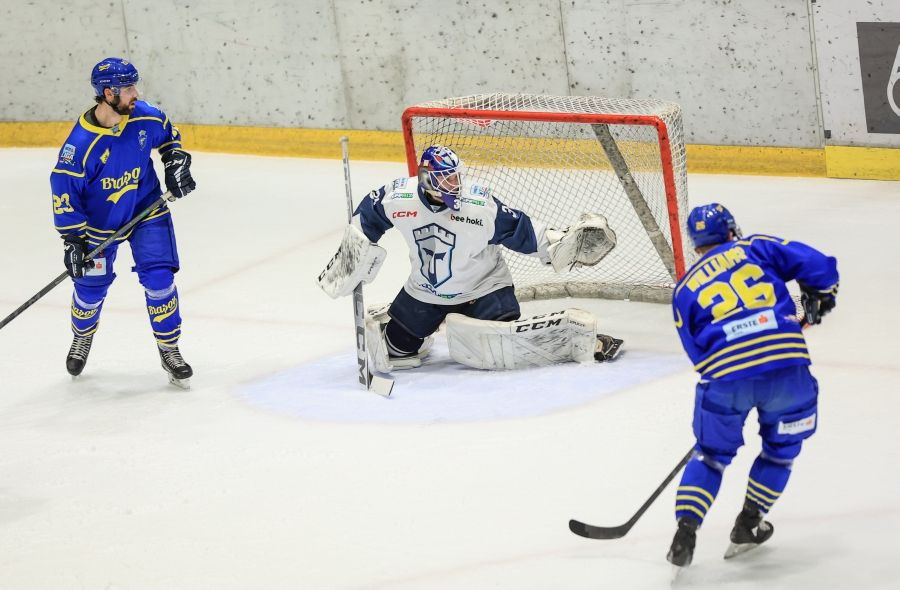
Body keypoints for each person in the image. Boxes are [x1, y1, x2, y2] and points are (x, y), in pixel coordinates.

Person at [317, 145, 623, 371]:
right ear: (427, 180)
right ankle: (404, 325)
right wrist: (352, 256)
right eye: (447, 180)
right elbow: (368, 215)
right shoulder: (399, 197)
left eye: (456, 177)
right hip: (426, 291)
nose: (456, 185)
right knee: (396, 350)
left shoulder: (479, 205)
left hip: (484, 288)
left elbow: (521, 230)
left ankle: (577, 339)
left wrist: (559, 244)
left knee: (498, 347)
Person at [666, 203, 839, 566]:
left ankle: (685, 532)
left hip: (726, 378)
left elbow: (697, 355)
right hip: (786, 368)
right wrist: (821, 294)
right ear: (731, 231)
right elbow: (818, 266)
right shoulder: (755, 247)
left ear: (696, 244)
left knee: (710, 457)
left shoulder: (683, 290)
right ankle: (748, 523)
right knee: (780, 452)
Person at [50, 57, 197, 387]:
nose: (136, 93)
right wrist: (72, 240)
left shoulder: (144, 115)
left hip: (147, 211)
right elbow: (64, 192)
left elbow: (169, 134)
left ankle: (169, 349)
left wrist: (174, 161)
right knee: (90, 289)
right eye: (128, 88)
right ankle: (82, 336)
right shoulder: (80, 146)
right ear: (108, 93)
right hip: (98, 227)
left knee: (160, 278)